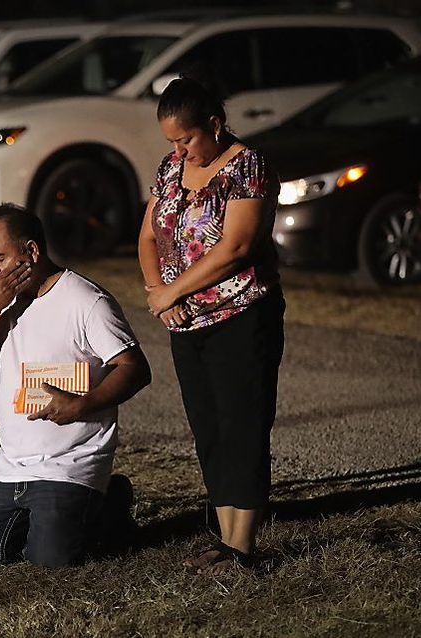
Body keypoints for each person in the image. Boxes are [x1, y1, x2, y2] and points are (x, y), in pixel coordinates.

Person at [137, 75, 285, 573]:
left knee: (241, 424)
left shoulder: (247, 167)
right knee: (208, 430)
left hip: (241, 315)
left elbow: (237, 247)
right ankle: (225, 538)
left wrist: (171, 292)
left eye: (186, 139)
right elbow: (148, 237)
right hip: (185, 322)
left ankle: (243, 548)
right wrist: (160, 294)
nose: (179, 151)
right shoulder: (170, 169)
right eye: (172, 142)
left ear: (215, 125)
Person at [0, 205, 151, 568]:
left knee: (50, 560)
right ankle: (65, 516)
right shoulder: (4, 304)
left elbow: (135, 368)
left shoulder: (86, 300)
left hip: (69, 463)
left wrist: (82, 405)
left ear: (31, 251)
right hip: (11, 466)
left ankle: (108, 505)